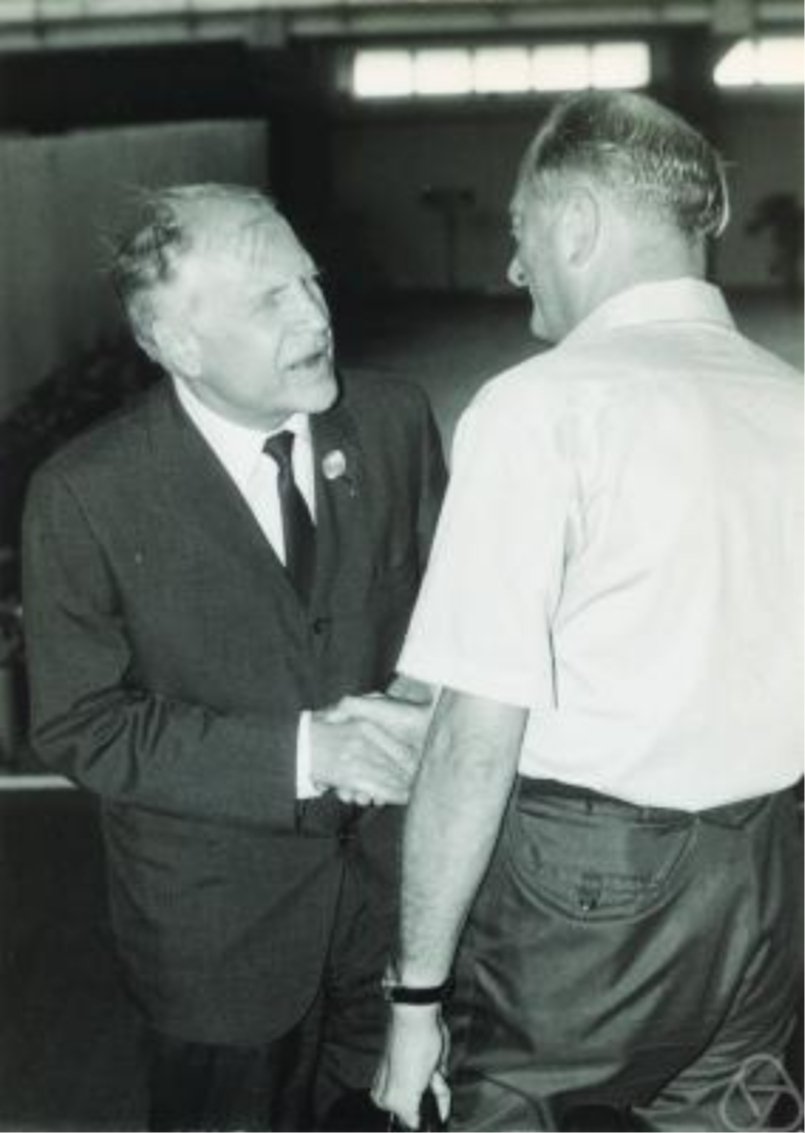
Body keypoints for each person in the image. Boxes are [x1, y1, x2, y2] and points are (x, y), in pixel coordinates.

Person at [372, 91, 803, 1132]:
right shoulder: (788, 396)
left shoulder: (539, 406)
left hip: (586, 895)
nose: (513, 265)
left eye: (520, 228)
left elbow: (474, 737)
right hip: (767, 872)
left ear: (575, 224)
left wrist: (415, 998)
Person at [22, 183, 447, 1131]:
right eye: (271, 300)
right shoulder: (87, 493)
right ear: (179, 344)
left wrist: (419, 701)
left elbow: (449, 618)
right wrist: (305, 753)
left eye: (310, 282)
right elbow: (81, 723)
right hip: (220, 951)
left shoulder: (394, 421)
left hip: (395, 924)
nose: (315, 316)